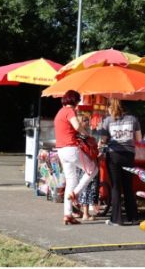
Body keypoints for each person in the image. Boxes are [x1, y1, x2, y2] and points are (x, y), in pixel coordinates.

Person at [54, 90, 95, 225]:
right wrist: (87, 135)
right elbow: (77, 126)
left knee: (71, 180)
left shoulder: (60, 112)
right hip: (71, 149)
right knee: (93, 169)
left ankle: (68, 214)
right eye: (78, 100)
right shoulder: (70, 111)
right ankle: (76, 193)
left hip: (61, 150)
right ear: (75, 100)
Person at [100, 99, 142, 226]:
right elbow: (139, 139)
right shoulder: (133, 119)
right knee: (128, 186)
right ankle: (133, 217)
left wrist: (103, 142)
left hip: (113, 155)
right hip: (129, 155)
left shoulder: (107, 121)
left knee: (115, 186)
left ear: (110, 107)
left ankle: (117, 219)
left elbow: (103, 140)